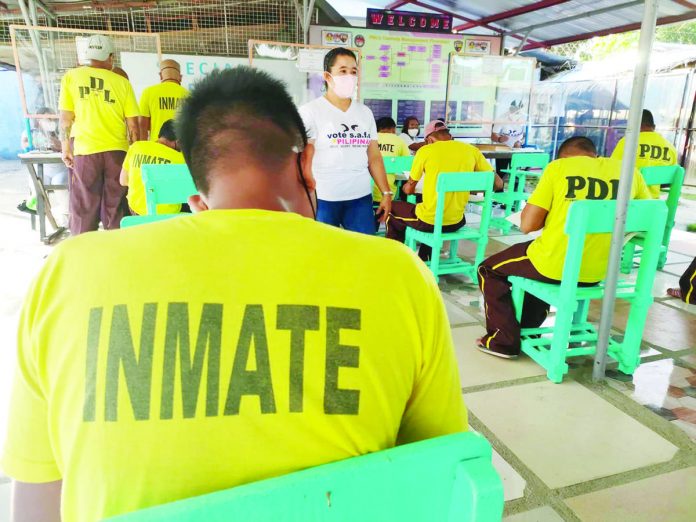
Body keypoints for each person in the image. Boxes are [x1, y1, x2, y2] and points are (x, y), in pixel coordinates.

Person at [1, 66, 467, 522]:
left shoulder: (69, 273)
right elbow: (445, 470)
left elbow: (38, 494)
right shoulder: (399, 274)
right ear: (307, 162)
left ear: (198, 199)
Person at [476, 136, 652, 359]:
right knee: (529, 264)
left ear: (563, 156)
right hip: (599, 271)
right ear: (594, 155)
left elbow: (527, 225)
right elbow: (648, 220)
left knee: (488, 269)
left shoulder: (558, 168)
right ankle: (527, 328)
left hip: (554, 264)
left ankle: (503, 341)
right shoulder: (629, 172)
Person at [299, 47, 392, 234]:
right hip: (324, 198)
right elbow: (300, 159)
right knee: (324, 255)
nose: (349, 76)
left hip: (360, 198)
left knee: (364, 252)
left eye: (353, 71)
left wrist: (386, 193)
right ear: (327, 76)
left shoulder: (365, 113)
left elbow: (374, 156)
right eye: (343, 71)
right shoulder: (310, 112)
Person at [59, 34, 140, 235]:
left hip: (86, 151)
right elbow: (133, 126)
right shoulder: (122, 83)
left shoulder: (71, 77)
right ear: (110, 57)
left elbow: (65, 119)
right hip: (117, 152)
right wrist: (134, 154)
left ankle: (83, 251)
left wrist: (65, 147)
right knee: (116, 203)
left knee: (84, 204)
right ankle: (117, 249)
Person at [386, 120, 501, 261]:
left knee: (392, 207)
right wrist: (467, 188)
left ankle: (393, 256)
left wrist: (406, 186)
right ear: (449, 135)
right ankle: (424, 255)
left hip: (430, 222)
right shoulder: (472, 151)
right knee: (432, 205)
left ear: (429, 139)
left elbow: (409, 190)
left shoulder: (425, 151)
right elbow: (498, 183)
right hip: (457, 221)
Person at [119, 119, 185, 215]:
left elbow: (123, 181)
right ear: (178, 141)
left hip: (137, 211)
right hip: (167, 215)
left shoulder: (136, 147)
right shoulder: (180, 159)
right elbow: (185, 192)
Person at [18, 107, 70, 225]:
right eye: (47, 119)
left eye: (52, 119)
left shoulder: (61, 132)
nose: (51, 122)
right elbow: (25, 143)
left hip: (60, 169)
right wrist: (37, 141)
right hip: (43, 170)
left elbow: (67, 147)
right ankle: (39, 210)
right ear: (39, 120)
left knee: (59, 182)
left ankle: (67, 216)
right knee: (37, 183)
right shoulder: (32, 132)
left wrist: (57, 144)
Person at [610, 109, 677, 198]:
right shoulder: (670, 148)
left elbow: (613, 168)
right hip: (652, 202)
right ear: (654, 126)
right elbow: (670, 179)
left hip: (629, 201)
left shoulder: (627, 142)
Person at [139, 59, 189, 141]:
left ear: (161, 75)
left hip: (156, 148)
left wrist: (142, 148)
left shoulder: (148, 92)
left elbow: (142, 126)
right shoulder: (189, 95)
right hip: (180, 149)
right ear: (180, 77)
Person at [374, 116, 409, 204]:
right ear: (393, 129)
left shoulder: (369, 139)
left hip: (366, 191)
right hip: (389, 193)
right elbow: (407, 164)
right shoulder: (399, 141)